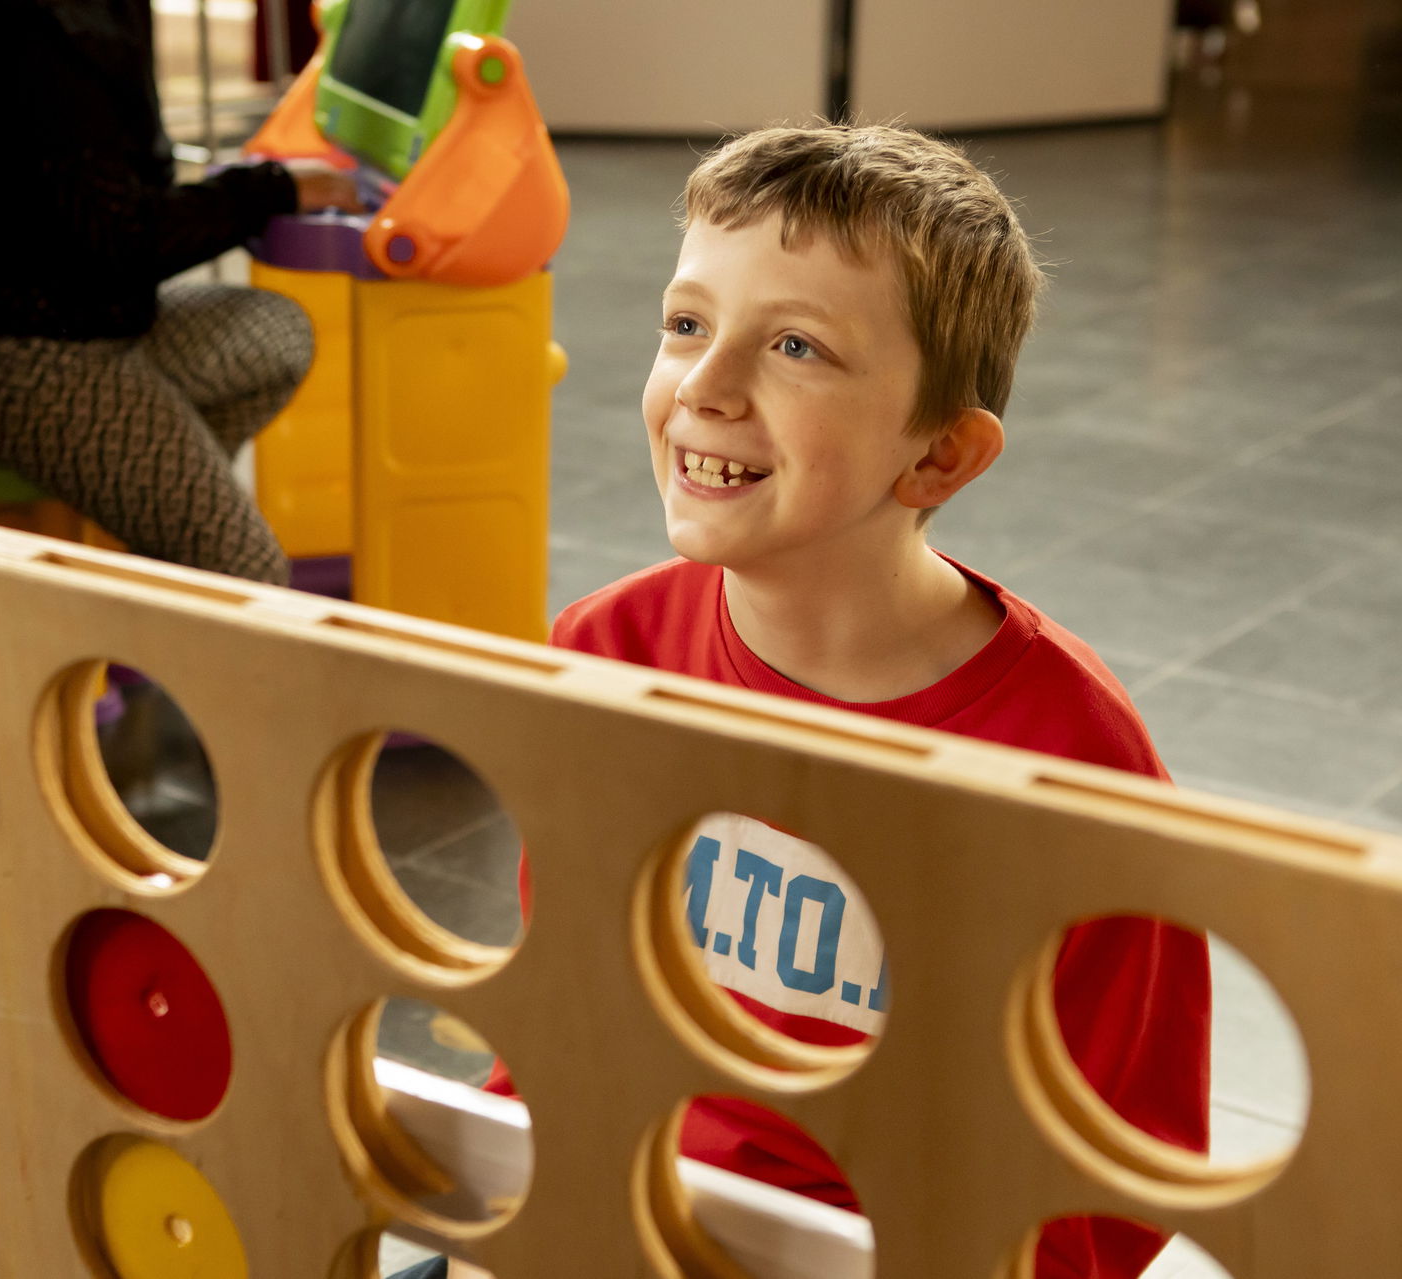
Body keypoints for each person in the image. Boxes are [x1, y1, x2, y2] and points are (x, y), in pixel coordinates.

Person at [412, 124, 1209, 1279]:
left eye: (795, 346)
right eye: (686, 323)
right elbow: (557, 1020)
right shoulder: (603, 651)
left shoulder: (1071, 753)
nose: (705, 385)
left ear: (937, 457)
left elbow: (1114, 1160)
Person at [0, 0, 357, 583]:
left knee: (277, 334)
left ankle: (154, 552)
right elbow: (120, 239)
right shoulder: (38, 32)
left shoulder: (87, 16)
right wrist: (271, 190)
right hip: (14, 359)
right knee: (248, 573)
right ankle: (172, 556)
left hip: (76, 321)